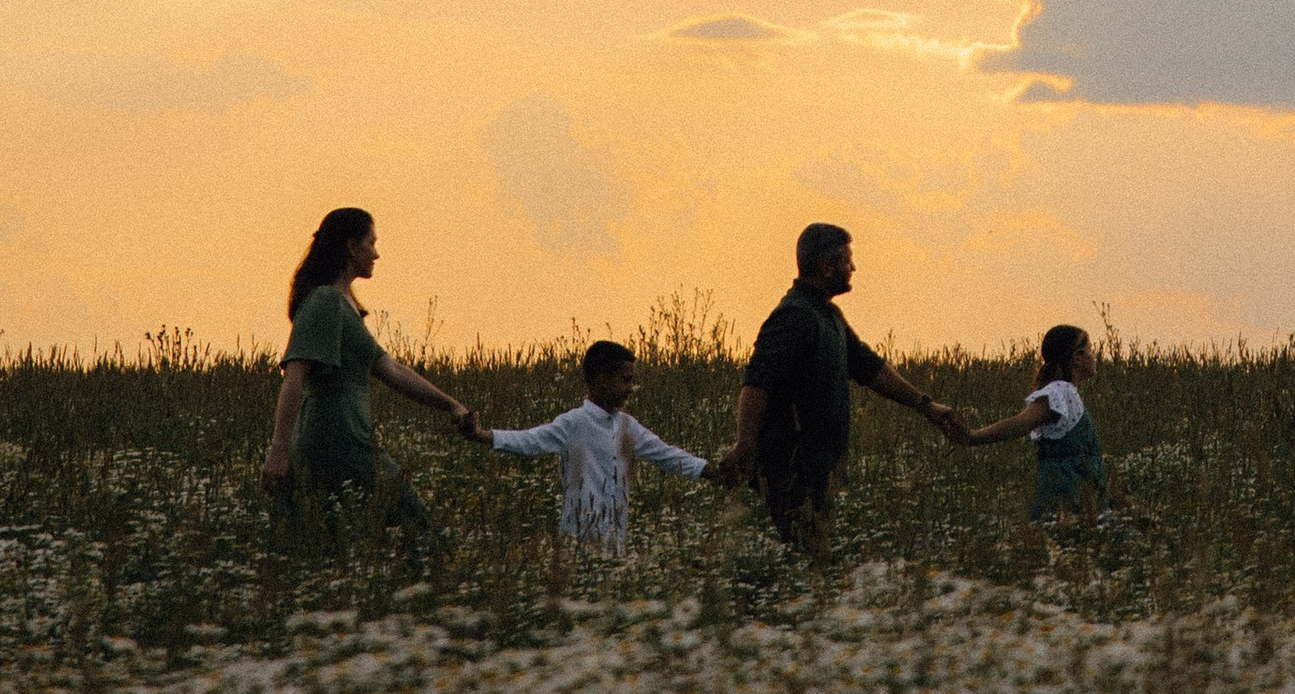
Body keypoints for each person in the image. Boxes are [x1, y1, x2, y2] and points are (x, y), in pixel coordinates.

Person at [709, 221, 959, 544]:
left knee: (814, 562)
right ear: (827, 267)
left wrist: (927, 406)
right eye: (847, 260)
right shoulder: (793, 317)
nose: (853, 267)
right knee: (801, 561)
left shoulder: (829, 317)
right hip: (792, 470)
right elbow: (756, 383)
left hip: (818, 471)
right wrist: (745, 443)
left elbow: (871, 369)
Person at [261, 206, 477, 539]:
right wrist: (278, 452)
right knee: (420, 531)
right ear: (351, 247)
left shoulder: (345, 305)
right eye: (371, 243)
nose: (376, 253)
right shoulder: (325, 302)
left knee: (331, 542)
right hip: (335, 440)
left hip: (348, 437)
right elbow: (294, 376)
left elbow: (391, 370)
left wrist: (450, 404)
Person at [474, 338, 706, 547]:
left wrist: (707, 470)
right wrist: (484, 435)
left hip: (616, 542)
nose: (630, 389)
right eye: (625, 380)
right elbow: (529, 440)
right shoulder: (574, 423)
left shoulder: (628, 426)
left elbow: (666, 455)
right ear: (603, 381)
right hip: (578, 542)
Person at [960, 322, 1109, 518]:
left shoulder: (1067, 393)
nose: (1095, 356)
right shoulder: (1060, 391)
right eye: (1090, 349)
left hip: (1078, 494)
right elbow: (1022, 422)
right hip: (1065, 494)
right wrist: (972, 436)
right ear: (1077, 358)